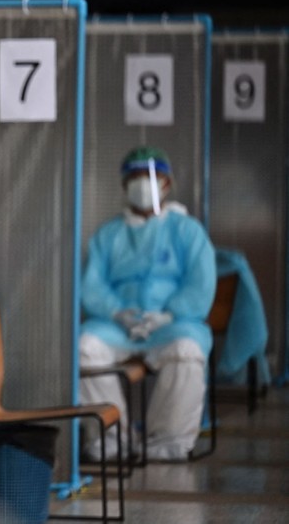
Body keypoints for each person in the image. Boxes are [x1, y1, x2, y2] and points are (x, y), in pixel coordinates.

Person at [80, 146, 216, 462]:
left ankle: (167, 441)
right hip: (118, 326)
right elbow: (92, 284)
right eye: (136, 178)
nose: (143, 185)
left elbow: (201, 282)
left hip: (173, 324)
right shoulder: (108, 235)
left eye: (150, 178)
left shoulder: (187, 231)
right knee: (84, 347)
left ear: (167, 184)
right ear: (124, 185)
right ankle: (111, 438)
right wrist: (116, 311)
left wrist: (169, 315)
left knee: (186, 351)